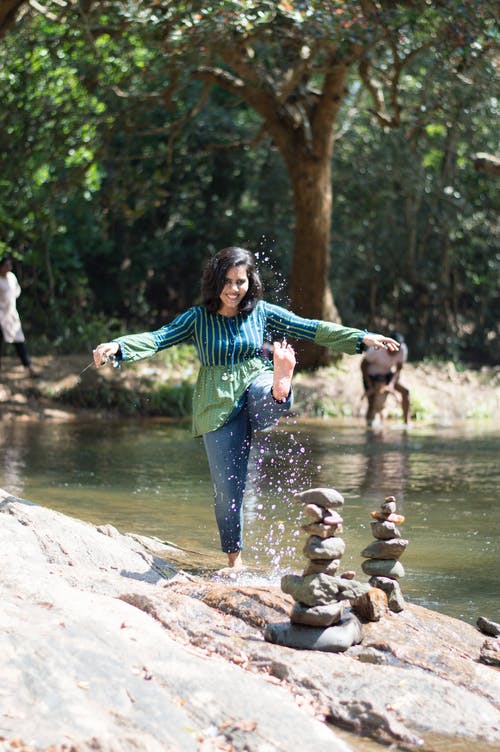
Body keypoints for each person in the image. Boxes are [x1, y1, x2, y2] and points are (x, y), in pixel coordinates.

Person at [93, 246, 400, 573]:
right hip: (216, 405)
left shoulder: (262, 312)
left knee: (265, 392)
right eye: (226, 281)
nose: (233, 289)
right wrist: (119, 347)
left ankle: (282, 385)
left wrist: (361, 337)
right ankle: (234, 561)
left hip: (257, 380)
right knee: (228, 489)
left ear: (249, 282)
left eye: (240, 281)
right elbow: (158, 338)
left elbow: (309, 327)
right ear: (214, 282)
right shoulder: (197, 318)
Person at [361, 331, 410, 425]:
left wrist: (391, 384)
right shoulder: (376, 348)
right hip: (371, 375)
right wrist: (370, 385)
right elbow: (363, 365)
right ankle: (369, 427)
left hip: (387, 374)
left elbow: (399, 368)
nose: (394, 351)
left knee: (406, 392)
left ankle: (406, 422)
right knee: (372, 403)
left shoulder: (403, 349)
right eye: (392, 348)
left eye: (397, 349)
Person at [0, 257, 38, 378]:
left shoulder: (11, 277)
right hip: (0, 315)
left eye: (9, 265)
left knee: (19, 341)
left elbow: (16, 291)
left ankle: (29, 367)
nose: (8, 267)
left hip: (11, 315)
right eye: (6, 265)